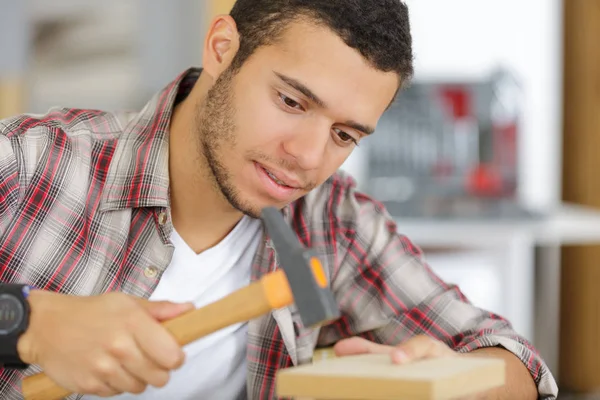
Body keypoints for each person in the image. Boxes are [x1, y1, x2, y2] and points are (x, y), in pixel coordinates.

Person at [0, 0, 558, 399]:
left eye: (345, 135)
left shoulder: (332, 224)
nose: (308, 156)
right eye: (291, 101)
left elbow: (513, 360)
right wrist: (30, 322)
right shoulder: (30, 162)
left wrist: (461, 383)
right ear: (223, 49)